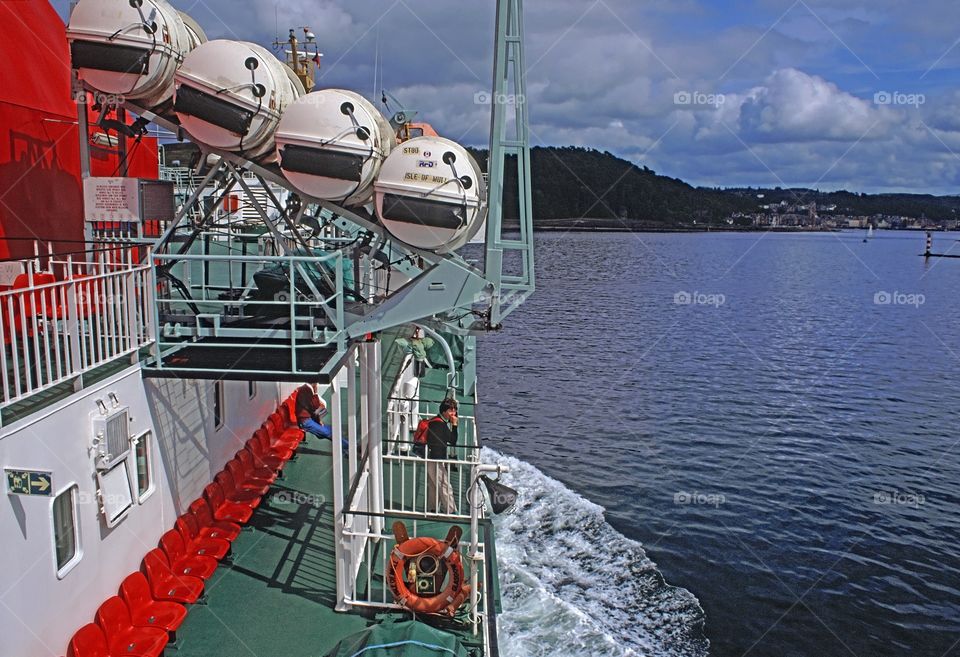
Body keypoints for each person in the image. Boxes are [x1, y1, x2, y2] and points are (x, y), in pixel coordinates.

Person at [425, 398, 459, 514]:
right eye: (451, 410)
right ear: (444, 411)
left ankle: (432, 510)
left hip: (430, 459)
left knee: (434, 487)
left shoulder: (436, 421)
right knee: (445, 487)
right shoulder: (440, 425)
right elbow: (453, 440)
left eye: (454, 410)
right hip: (435, 460)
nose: (453, 413)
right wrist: (454, 425)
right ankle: (452, 512)